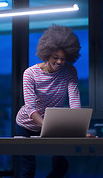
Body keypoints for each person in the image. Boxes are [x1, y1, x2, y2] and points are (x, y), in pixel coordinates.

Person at [15, 24, 82, 178]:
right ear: (46, 54)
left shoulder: (70, 71)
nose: (59, 62)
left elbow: (74, 101)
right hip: (26, 125)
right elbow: (30, 108)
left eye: (63, 59)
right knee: (28, 168)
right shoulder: (30, 74)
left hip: (52, 126)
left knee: (61, 165)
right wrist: (49, 126)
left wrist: (79, 130)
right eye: (55, 57)